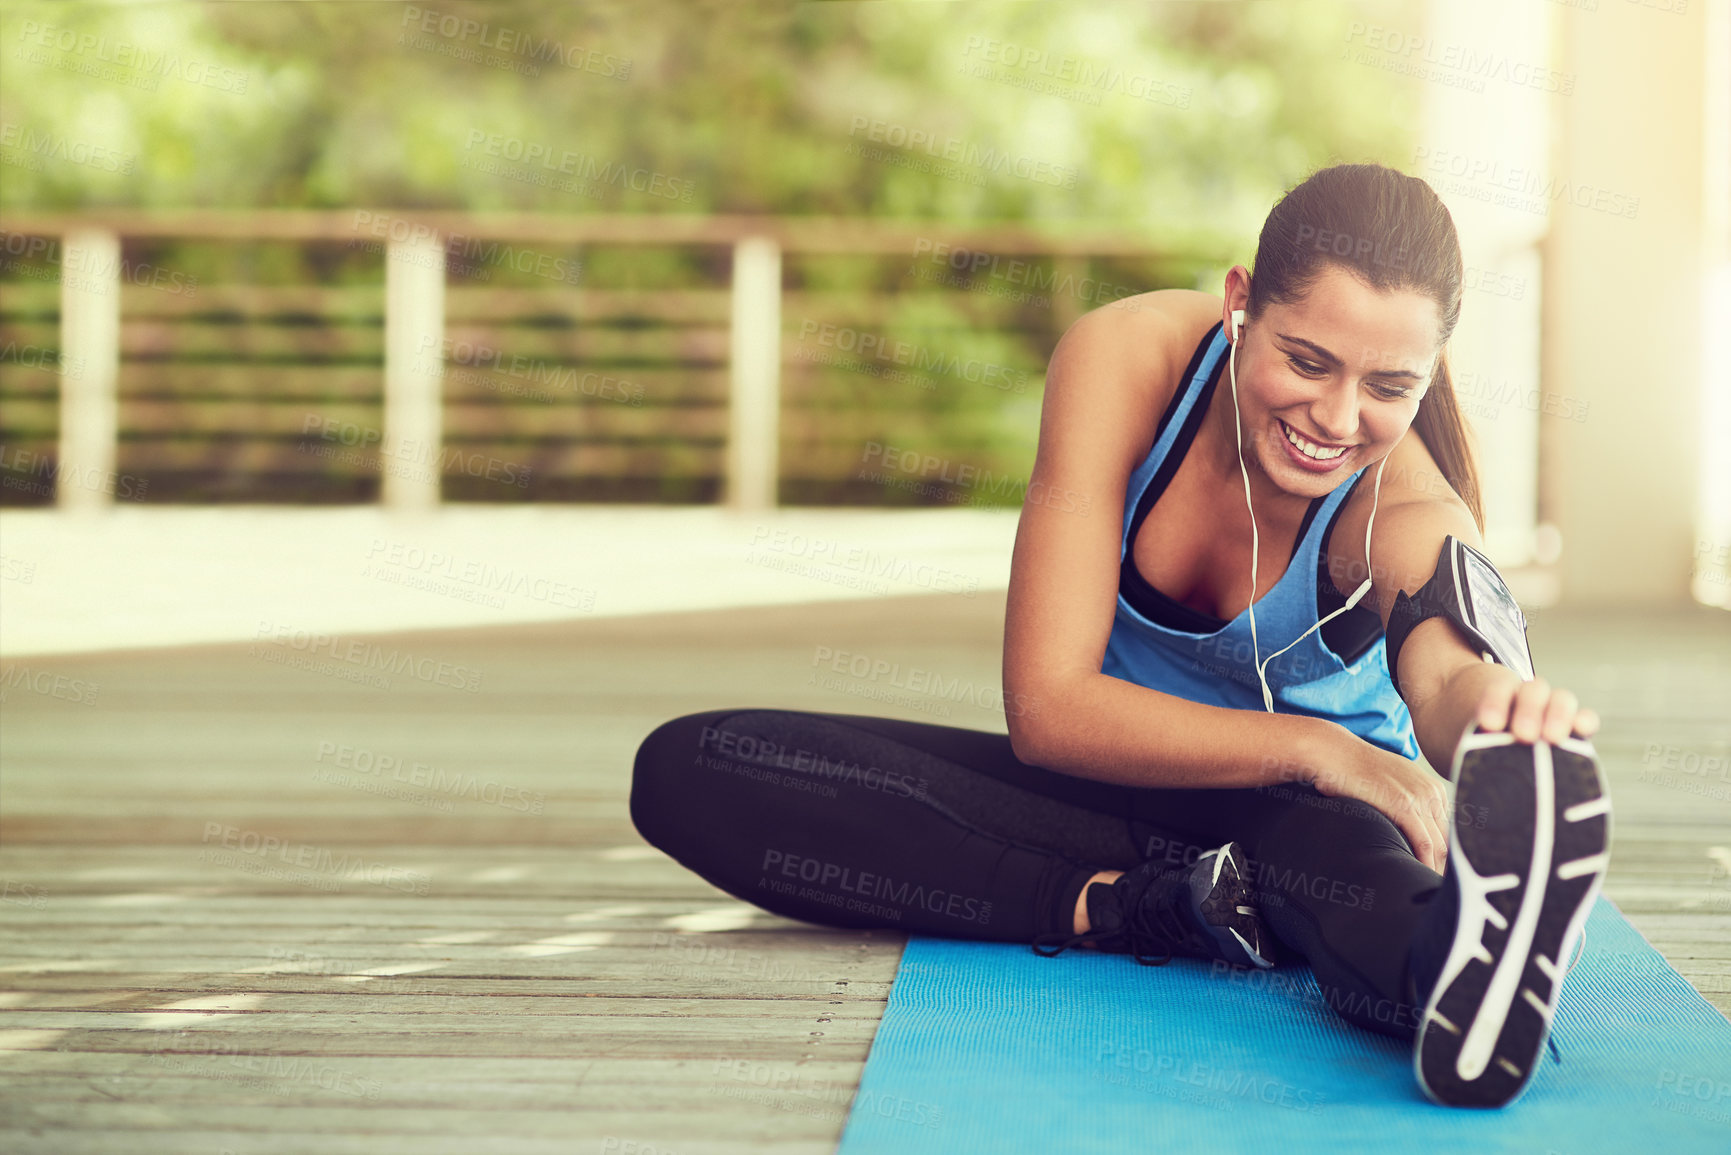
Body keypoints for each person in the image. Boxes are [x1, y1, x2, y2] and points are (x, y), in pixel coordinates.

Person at [630, 163, 1610, 1110]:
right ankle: (1137, 903)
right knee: (695, 766)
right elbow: (1048, 710)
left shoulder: (1410, 508)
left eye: (1388, 385)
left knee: (1356, 890)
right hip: (1109, 784)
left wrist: (1503, 722)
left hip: (1302, 827)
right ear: (1240, 304)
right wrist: (1321, 748)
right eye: (1305, 361)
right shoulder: (1127, 360)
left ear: (1430, 373)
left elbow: (1446, 676)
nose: (1337, 417)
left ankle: (1462, 979)